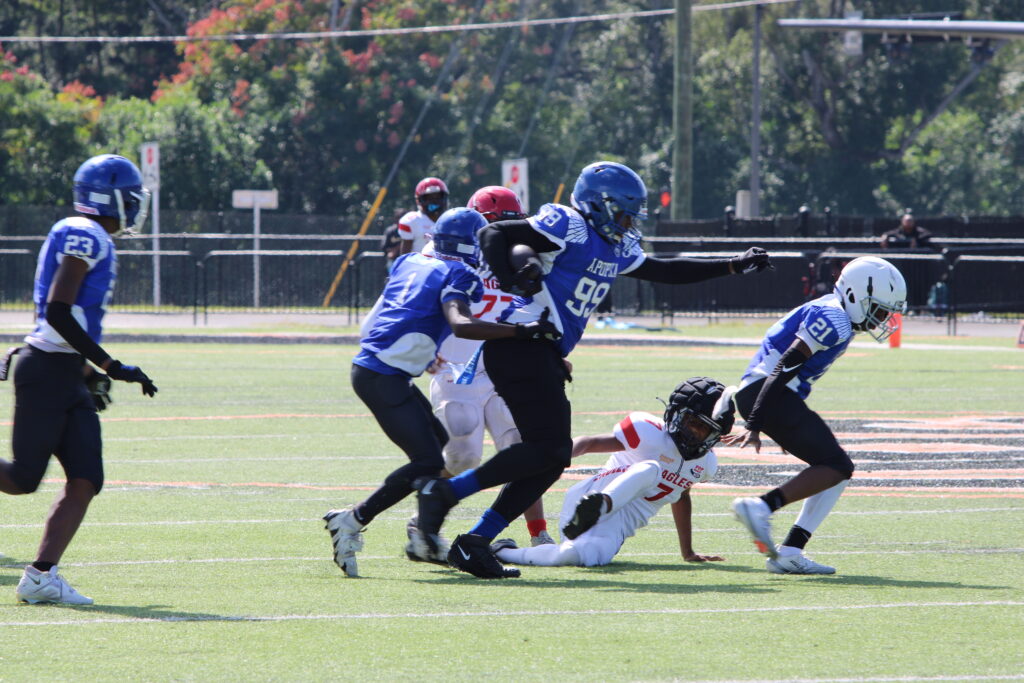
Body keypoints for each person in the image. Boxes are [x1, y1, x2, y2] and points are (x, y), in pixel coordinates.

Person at [413, 160, 773, 579]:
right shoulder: (570, 223)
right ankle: (448, 496)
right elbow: (494, 233)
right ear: (598, 204)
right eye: (623, 212)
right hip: (521, 344)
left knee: (551, 457)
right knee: (548, 451)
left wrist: (730, 265)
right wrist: (516, 277)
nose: (628, 222)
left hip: (542, 352)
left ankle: (475, 539)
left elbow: (666, 270)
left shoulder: (616, 246)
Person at [323, 207, 561, 578]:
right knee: (426, 461)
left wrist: (422, 349)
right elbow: (459, 324)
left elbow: (397, 311)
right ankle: (353, 519)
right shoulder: (461, 271)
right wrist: (522, 331)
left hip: (379, 367)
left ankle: (424, 534)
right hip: (382, 374)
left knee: (437, 447)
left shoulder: (409, 260)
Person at [0, 154, 158, 605]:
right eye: (130, 198)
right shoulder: (84, 232)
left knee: (87, 477)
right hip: (47, 369)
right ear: (111, 198)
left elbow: (70, 322)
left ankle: (41, 575)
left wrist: (89, 372)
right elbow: (57, 312)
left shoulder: (90, 234)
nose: (135, 206)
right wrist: (111, 366)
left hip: (66, 372)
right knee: (23, 478)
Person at [728, 256, 906, 574]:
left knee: (833, 471)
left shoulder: (836, 314)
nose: (882, 320)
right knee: (837, 465)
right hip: (768, 393)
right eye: (879, 310)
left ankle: (791, 551)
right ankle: (761, 507)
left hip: (773, 395)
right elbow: (785, 365)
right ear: (855, 295)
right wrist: (757, 420)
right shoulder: (834, 318)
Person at [424, 186, 555, 548]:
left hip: (506, 367)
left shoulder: (525, 259)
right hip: (457, 363)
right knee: (463, 455)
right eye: (502, 224)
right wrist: (422, 345)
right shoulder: (448, 253)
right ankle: (426, 521)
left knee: (522, 451)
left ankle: (538, 534)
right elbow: (423, 294)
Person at [491, 377, 734, 568]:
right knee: (651, 469)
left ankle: (501, 551)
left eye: (705, 430)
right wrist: (554, 457)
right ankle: (601, 504)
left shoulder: (705, 465)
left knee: (573, 556)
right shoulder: (649, 433)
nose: (696, 434)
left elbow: (681, 495)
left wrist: (688, 552)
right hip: (593, 494)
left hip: (616, 527)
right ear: (678, 414)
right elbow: (589, 443)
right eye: (694, 422)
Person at [397, 177, 449, 256]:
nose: (435, 201)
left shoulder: (450, 220)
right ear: (419, 200)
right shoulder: (412, 221)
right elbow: (405, 256)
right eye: (429, 198)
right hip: (419, 266)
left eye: (438, 197)